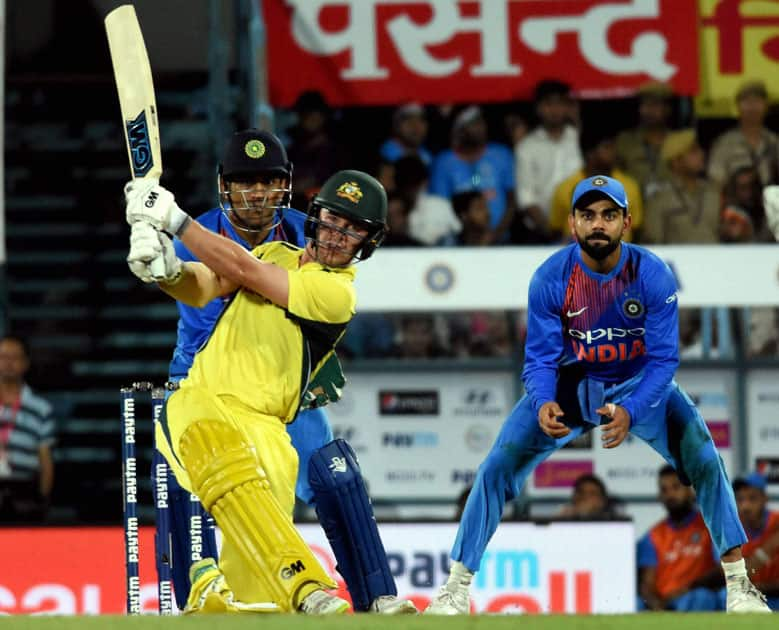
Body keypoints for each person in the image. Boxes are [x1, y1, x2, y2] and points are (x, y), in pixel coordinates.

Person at [424, 174, 771, 614]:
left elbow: (664, 360)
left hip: (639, 381)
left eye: (609, 215)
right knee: (495, 467)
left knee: (705, 461)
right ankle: (455, 589)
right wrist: (544, 400)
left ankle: (739, 588)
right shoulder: (551, 277)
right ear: (572, 224)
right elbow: (540, 359)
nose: (598, 225)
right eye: (588, 216)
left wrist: (630, 408)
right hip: (571, 384)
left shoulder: (651, 274)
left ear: (626, 222)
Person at [124, 169, 406, 614]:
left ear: (367, 243)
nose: (337, 236)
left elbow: (241, 268)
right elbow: (207, 286)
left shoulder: (336, 295)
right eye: (333, 221)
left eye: (353, 231)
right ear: (315, 218)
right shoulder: (276, 251)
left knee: (254, 568)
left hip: (269, 428)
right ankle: (308, 589)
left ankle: (230, 602)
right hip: (202, 401)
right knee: (227, 465)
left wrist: (175, 221)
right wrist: (167, 269)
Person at [637, 466, 721, 611]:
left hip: (695, 596)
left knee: (702, 597)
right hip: (665, 602)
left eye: (676, 487)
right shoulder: (653, 536)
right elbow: (647, 584)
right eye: (664, 490)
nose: (670, 495)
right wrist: (658, 607)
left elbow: (723, 570)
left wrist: (689, 588)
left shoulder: (711, 527)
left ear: (690, 491)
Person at [429, 106, 516, 243]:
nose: (480, 128)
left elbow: (512, 200)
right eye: (473, 124)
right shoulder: (444, 162)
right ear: (459, 130)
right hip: (458, 243)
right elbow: (441, 206)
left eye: (481, 122)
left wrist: (496, 234)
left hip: (502, 239)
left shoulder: (501, 154)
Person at [513, 79, 582, 242]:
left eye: (560, 104)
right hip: (540, 234)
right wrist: (551, 231)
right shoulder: (527, 147)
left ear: (567, 107)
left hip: (581, 230)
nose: (555, 110)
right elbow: (526, 197)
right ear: (538, 108)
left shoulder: (578, 140)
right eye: (549, 104)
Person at [549, 127, 643, 242]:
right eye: (607, 147)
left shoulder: (629, 186)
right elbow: (556, 230)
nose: (614, 152)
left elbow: (636, 229)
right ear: (590, 153)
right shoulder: (564, 188)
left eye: (613, 147)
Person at [0, 335, 55, 522]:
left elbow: (46, 459)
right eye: (3, 357)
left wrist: (42, 501)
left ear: (25, 363)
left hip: (23, 494)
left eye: (14, 357)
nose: (8, 363)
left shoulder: (41, 408)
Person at [708, 80, 779, 189]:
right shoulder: (725, 143)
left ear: (766, 106)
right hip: (735, 201)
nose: (752, 107)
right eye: (747, 102)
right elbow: (715, 181)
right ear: (738, 107)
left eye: (757, 101)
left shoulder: (773, 141)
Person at [615, 81, 674, 198]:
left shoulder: (677, 142)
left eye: (654, 105)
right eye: (644, 105)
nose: (648, 111)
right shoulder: (625, 141)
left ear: (667, 109)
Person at [732, 473, 779, 610]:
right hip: (749, 597)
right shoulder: (732, 528)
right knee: (724, 596)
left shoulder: (776, 523)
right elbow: (735, 579)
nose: (745, 506)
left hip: (775, 596)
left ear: (765, 499)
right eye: (740, 499)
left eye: (752, 498)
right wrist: (767, 550)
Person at [557, 473, 622, 520]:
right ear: (574, 496)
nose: (585, 496)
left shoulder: (615, 521)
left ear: (602, 501)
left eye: (592, 493)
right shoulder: (563, 515)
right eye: (581, 492)